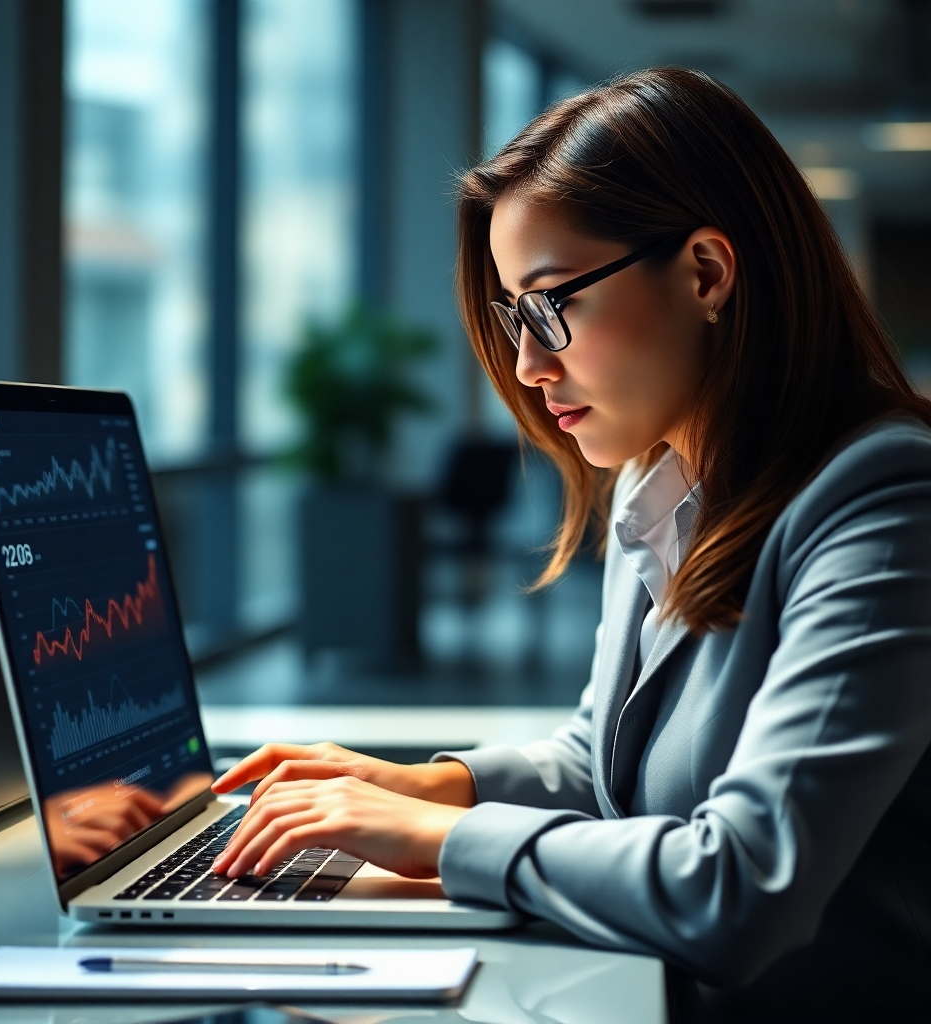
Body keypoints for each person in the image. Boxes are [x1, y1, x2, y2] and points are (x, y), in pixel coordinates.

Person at [210, 68, 931, 1023]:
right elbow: (607, 761)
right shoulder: (659, 481)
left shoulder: (886, 500)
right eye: (515, 316)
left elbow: (743, 886)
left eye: (551, 306)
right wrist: (434, 785)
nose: (525, 364)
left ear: (707, 273)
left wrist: (435, 838)